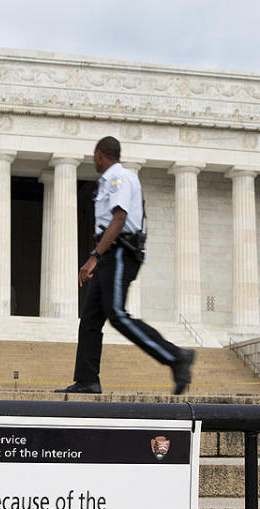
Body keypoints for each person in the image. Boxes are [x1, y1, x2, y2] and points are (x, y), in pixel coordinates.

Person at [55, 136, 195, 395]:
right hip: (110, 252)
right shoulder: (109, 180)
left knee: (117, 315)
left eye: (94, 156)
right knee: (90, 320)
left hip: (119, 251)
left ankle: (176, 356)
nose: (94, 160)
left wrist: (95, 255)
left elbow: (119, 218)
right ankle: (87, 380)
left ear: (100, 154)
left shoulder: (119, 178)